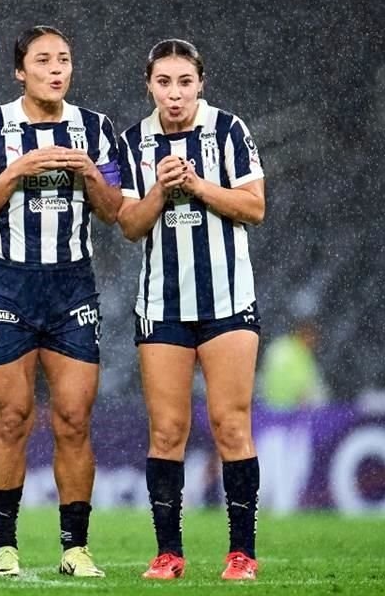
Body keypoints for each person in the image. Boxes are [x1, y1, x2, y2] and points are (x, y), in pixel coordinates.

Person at [0, 25, 121, 578]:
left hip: (72, 285)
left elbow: (114, 209)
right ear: (20, 71)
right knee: (12, 418)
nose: (57, 69)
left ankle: (75, 548)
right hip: (8, 284)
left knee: (74, 419)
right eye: (44, 60)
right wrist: (17, 171)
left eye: (65, 59)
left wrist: (88, 174)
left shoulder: (96, 129)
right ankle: (4, 545)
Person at [116, 39, 265, 581]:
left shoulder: (229, 131)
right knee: (167, 431)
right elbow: (129, 225)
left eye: (184, 82)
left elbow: (255, 206)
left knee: (231, 426)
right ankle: (169, 554)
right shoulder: (134, 141)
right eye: (163, 83)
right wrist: (160, 190)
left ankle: (242, 554)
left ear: (201, 83)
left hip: (227, 301)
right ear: (149, 85)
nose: (174, 94)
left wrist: (198, 185)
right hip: (162, 306)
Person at [259, 318, 327, 410]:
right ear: (300, 332)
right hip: (277, 409)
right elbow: (270, 378)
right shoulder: (283, 349)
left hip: (290, 410)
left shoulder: (305, 355)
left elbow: (312, 385)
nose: (313, 341)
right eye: (310, 335)